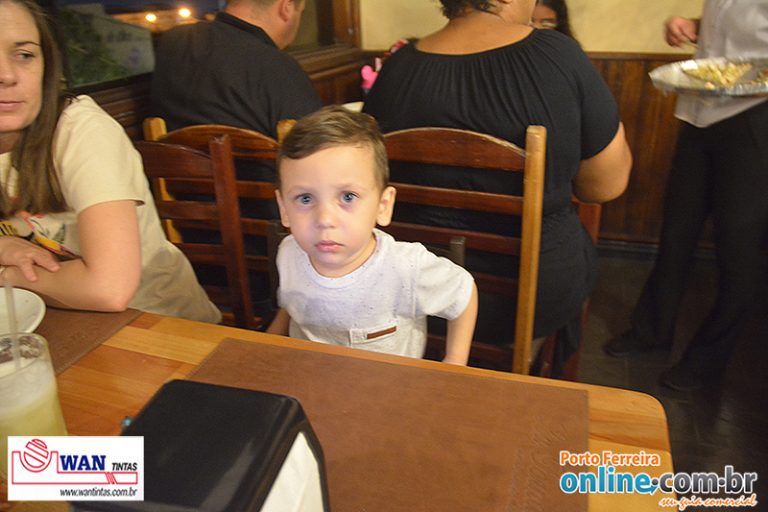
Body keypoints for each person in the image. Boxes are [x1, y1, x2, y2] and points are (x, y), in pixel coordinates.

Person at [363, 0, 631, 375]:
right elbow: (604, 186)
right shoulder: (558, 56)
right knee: (576, 250)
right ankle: (535, 381)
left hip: (416, 290)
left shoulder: (398, 67)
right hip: (524, 299)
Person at [0, 0, 220, 323]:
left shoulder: (81, 130)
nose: (6, 75)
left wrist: (6, 274)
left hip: (158, 323)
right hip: (58, 318)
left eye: (24, 55)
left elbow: (108, 288)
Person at [604, 1, 768, 391]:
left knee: (738, 249)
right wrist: (692, 25)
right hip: (701, 109)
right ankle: (651, 331)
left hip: (757, 115)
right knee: (676, 233)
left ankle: (706, 362)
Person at [267, 106, 479, 365]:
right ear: (284, 209)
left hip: (390, 383)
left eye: (348, 197)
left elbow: (463, 293)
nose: (324, 219)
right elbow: (292, 303)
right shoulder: (288, 252)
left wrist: (454, 362)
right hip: (307, 371)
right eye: (305, 198)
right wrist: (269, 342)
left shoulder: (406, 268)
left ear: (383, 205)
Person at [151, 0, 322, 139]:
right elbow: (316, 148)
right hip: (256, 173)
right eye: (301, 12)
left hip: (171, 171)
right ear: (287, 7)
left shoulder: (173, 41)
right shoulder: (279, 66)